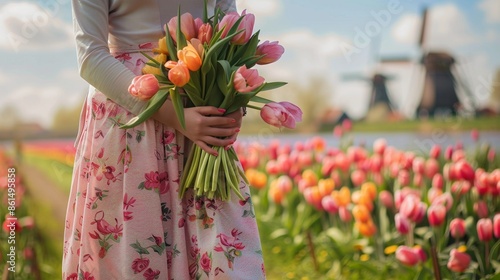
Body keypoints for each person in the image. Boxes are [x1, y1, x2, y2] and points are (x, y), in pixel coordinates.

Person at [63, 1, 266, 279]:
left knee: (222, 257)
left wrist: (233, 100)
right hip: (133, 114)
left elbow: (230, 27)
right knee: (135, 248)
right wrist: (175, 115)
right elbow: (90, 55)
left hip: (201, 95)